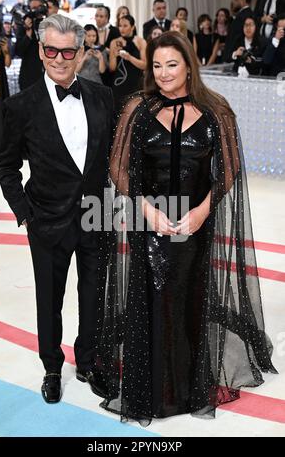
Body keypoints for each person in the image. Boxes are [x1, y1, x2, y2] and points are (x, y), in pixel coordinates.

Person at [96, 31, 277, 424]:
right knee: (153, 299)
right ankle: (157, 388)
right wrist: (145, 209)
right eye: (157, 65)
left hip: (195, 225)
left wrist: (201, 212)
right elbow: (117, 166)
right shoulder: (136, 109)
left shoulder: (217, 110)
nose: (163, 73)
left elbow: (229, 169)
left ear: (189, 65)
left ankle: (190, 385)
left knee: (190, 298)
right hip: (151, 223)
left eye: (171, 64)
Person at [0, 14, 114, 404]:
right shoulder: (20, 106)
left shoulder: (101, 97)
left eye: (68, 51)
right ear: (42, 51)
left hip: (96, 213)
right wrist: (24, 212)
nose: (60, 58)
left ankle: (88, 360)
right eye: (52, 50)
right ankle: (51, 365)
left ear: (81, 53)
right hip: (46, 219)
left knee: (93, 293)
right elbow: (8, 166)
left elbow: (114, 156)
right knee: (49, 297)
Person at [109, 15, 146, 113]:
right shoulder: (114, 42)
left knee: (136, 112)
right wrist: (114, 55)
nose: (122, 28)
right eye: (120, 26)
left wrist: (129, 58)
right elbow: (112, 68)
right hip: (119, 83)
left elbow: (145, 65)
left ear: (132, 27)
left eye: (125, 26)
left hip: (136, 83)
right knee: (119, 113)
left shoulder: (140, 42)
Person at [14, 0, 45, 90]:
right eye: (33, 8)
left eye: (38, 7)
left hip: (47, 73)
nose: (36, 11)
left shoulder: (49, 23)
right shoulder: (24, 25)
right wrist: (28, 34)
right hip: (29, 74)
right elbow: (18, 51)